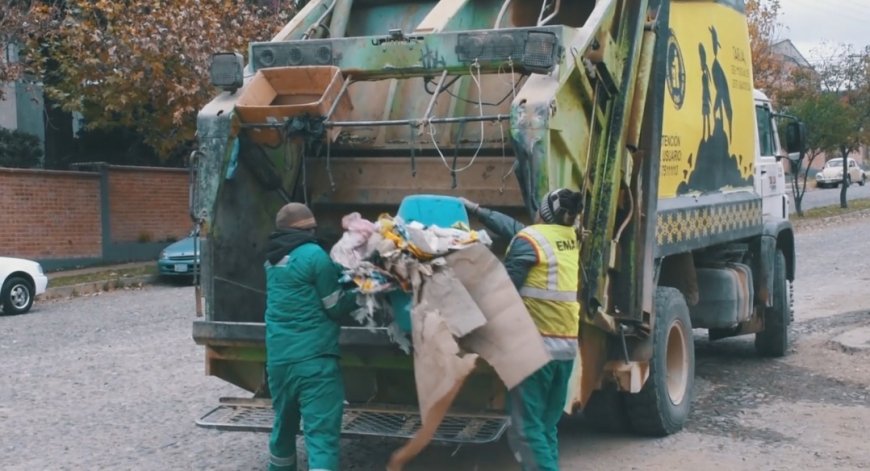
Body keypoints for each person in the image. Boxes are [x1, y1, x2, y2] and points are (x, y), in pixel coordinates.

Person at [462, 189, 582, 471]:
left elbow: (503, 293)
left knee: (526, 431)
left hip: (535, 353)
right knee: (546, 427)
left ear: (544, 213)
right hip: (565, 350)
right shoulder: (568, 238)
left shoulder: (529, 241)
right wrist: (478, 211)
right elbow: (517, 230)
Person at [264, 202, 358, 471]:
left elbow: (300, 285)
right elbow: (335, 306)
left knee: (283, 430)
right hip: (314, 363)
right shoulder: (315, 255)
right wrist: (362, 291)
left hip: (279, 362)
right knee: (321, 438)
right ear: (310, 228)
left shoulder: (271, 261)